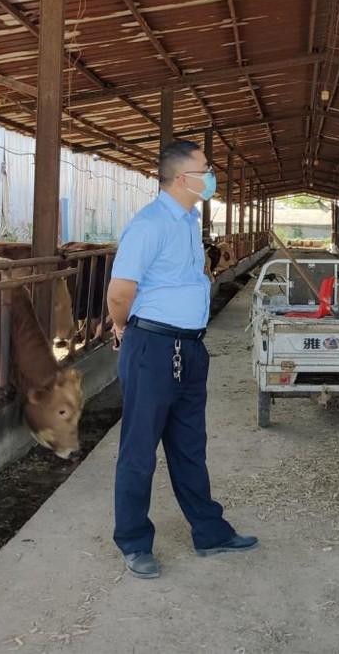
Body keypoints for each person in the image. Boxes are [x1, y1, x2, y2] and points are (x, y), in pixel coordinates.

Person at [106, 139, 258, 579]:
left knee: (190, 445)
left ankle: (209, 531)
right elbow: (120, 292)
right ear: (180, 177)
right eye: (205, 169)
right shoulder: (149, 224)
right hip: (152, 346)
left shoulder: (190, 221)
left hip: (189, 347)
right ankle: (134, 541)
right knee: (139, 448)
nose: (211, 177)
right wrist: (123, 329)